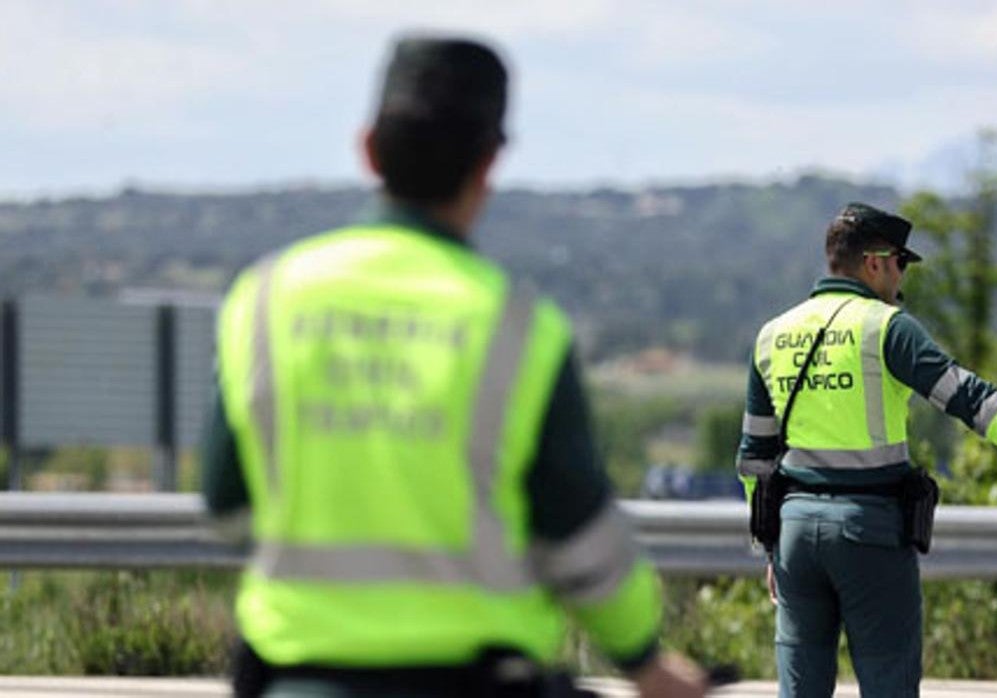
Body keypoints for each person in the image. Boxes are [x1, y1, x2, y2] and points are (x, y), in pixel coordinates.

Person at [201, 34, 707, 698]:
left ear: (368, 150)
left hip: (298, 679)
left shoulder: (265, 299)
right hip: (477, 680)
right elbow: (580, 537)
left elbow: (228, 507)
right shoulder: (519, 327)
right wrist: (643, 657)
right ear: (488, 163)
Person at [735, 202, 997, 698]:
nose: (901, 277)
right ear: (874, 262)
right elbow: (973, 400)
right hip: (868, 533)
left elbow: (754, 459)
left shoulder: (772, 336)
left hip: (796, 538)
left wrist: (770, 546)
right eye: (900, 263)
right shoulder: (887, 327)